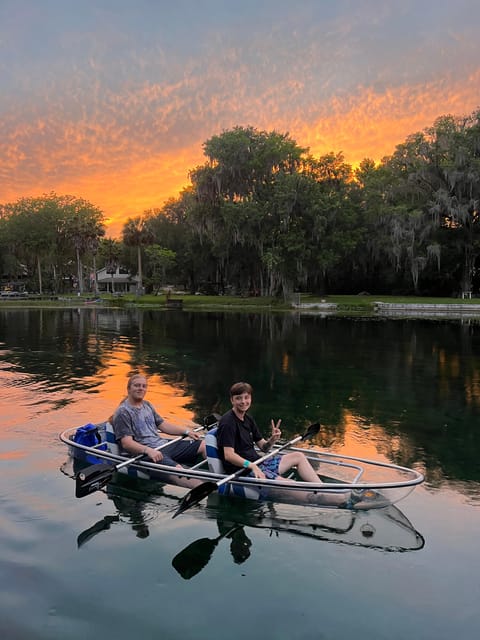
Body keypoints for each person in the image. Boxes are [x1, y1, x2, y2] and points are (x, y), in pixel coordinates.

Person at [216, 381, 349, 505]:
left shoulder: (248, 418)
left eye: (246, 397)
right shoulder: (228, 423)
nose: (243, 402)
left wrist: (273, 439)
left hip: (258, 463)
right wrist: (252, 466)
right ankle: (337, 501)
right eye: (239, 398)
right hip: (243, 470)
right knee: (290, 484)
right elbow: (228, 455)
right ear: (232, 400)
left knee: (298, 456)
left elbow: (264, 448)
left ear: (250, 398)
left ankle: (322, 489)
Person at [112, 373, 206, 467]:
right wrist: (148, 450)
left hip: (162, 444)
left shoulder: (147, 405)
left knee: (203, 445)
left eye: (144, 386)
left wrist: (186, 431)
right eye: (136, 385)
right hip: (145, 453)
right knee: (179, 469)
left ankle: (217, 473)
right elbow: (127, 444)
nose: (141, 388)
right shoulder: (123, 412)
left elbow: (163, 425)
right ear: (128, 389)